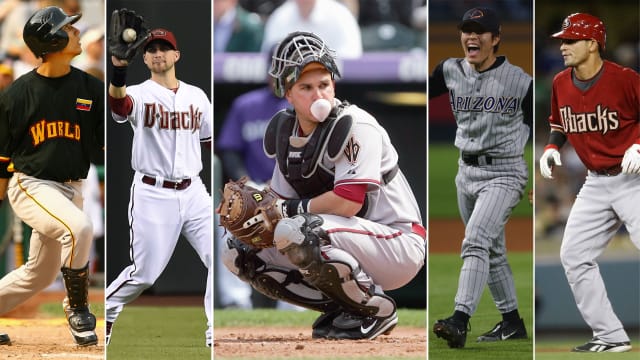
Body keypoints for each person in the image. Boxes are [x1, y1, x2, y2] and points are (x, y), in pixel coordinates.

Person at [221, 31, 426, 340]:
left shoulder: (356, 124)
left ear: (334, 85)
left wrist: (285, 209)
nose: (318, 95)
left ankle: (375, 309)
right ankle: (345, 306)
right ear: (287, 93)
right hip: (345, 239)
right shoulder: (284, 129)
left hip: (397, 243)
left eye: (324, 85)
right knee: (238, 251)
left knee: (299, 229)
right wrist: (256, 201)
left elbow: (348, 202)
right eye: (306, 87)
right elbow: (275, 199)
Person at [104, 23, 213, 347]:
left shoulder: (197, 95)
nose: (157, 53)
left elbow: (209, 141)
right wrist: (118, 71)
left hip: (194, 191)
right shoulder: (138, 92)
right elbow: (119, 107)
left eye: (163, 48)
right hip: (153, 192)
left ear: (176, 54)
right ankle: (106, 313)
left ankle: (213, 333)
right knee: (145, 274)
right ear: (144, 58)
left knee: (222, 257)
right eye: (150, 49)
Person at [0, 6, 104, 346]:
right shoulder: (19, 93)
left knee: (39, 275)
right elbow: (2, 154)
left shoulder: (90, 86)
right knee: (80, 228)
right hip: (32, 184)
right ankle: (77, 308)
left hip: (71, 188)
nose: (75, 32)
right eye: (68, 28)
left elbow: (103, 145)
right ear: (52, 39)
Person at [429, 7, 532, 348]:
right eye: (466, 30)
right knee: (493, 251)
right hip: (466, 171)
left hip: (504, 172)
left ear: (496, 39)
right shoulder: (449, 70)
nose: (471, 36)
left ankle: (459, 319)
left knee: (475, 240)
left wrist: (544, 180)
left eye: (480, 31)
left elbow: (549, 126)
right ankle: (512, 322)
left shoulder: (521, 82)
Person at [539, 12, 639, 353]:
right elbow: (560, 122)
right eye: (563, 40)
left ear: (593, 44)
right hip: (596, 182)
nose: (563, 46)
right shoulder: (560, 83)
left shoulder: (625, 79)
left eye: (571, 40)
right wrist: (553, 146)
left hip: (634, 177)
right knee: (574, 255)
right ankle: (610, 336)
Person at [215, 49, 290, 309]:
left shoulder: (301, 106)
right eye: (274, 67)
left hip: (292, 190)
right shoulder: (246, 105)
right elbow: (229, 150)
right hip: (255, 186)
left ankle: (295, 306)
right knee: (228, 220)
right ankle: (236, 301)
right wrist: (247, 186)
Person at [260, 0, 363, 59]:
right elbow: (270, 57)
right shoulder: (280, 16)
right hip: (289, 86)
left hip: (334, 85)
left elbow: (351, 56)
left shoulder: (340, 15)